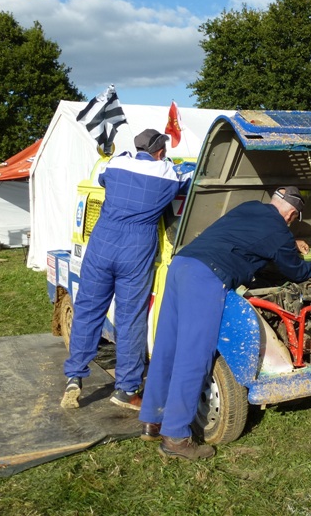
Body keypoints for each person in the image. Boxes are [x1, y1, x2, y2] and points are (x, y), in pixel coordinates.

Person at [139, 187, 311, 460]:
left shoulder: (250, 207)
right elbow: (295, 270)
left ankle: (152, 418)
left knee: (167, 347)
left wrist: (290, 242)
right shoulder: (279, 230)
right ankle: (176, 437)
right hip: (206, 277)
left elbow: (249, 241)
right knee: (195, 356)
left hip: (182, 265)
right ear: (291, 215)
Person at [61, 129, 193, 411]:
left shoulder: (117, 163)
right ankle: (126, 389)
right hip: (136, 247)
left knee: (88, 310)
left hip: (103, 241)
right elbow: (190, 180)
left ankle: (74, 377)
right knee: (130, 319)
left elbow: (101, 178)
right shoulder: (168, 173)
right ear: (161, 151)